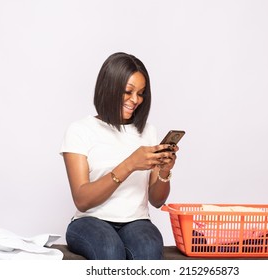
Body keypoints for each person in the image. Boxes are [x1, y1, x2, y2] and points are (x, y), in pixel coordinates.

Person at [59, 52, 179, 260]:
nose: (135, 100)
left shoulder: (147, 131)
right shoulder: (80, 130)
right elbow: (82, 200)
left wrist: (164, 171)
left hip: (137, 221)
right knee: (109, 249)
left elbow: (157, 201)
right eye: (128, 91)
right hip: (90, 221)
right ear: (109, 88)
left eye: (141, 93)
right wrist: (130, 164)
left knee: (148, 249)